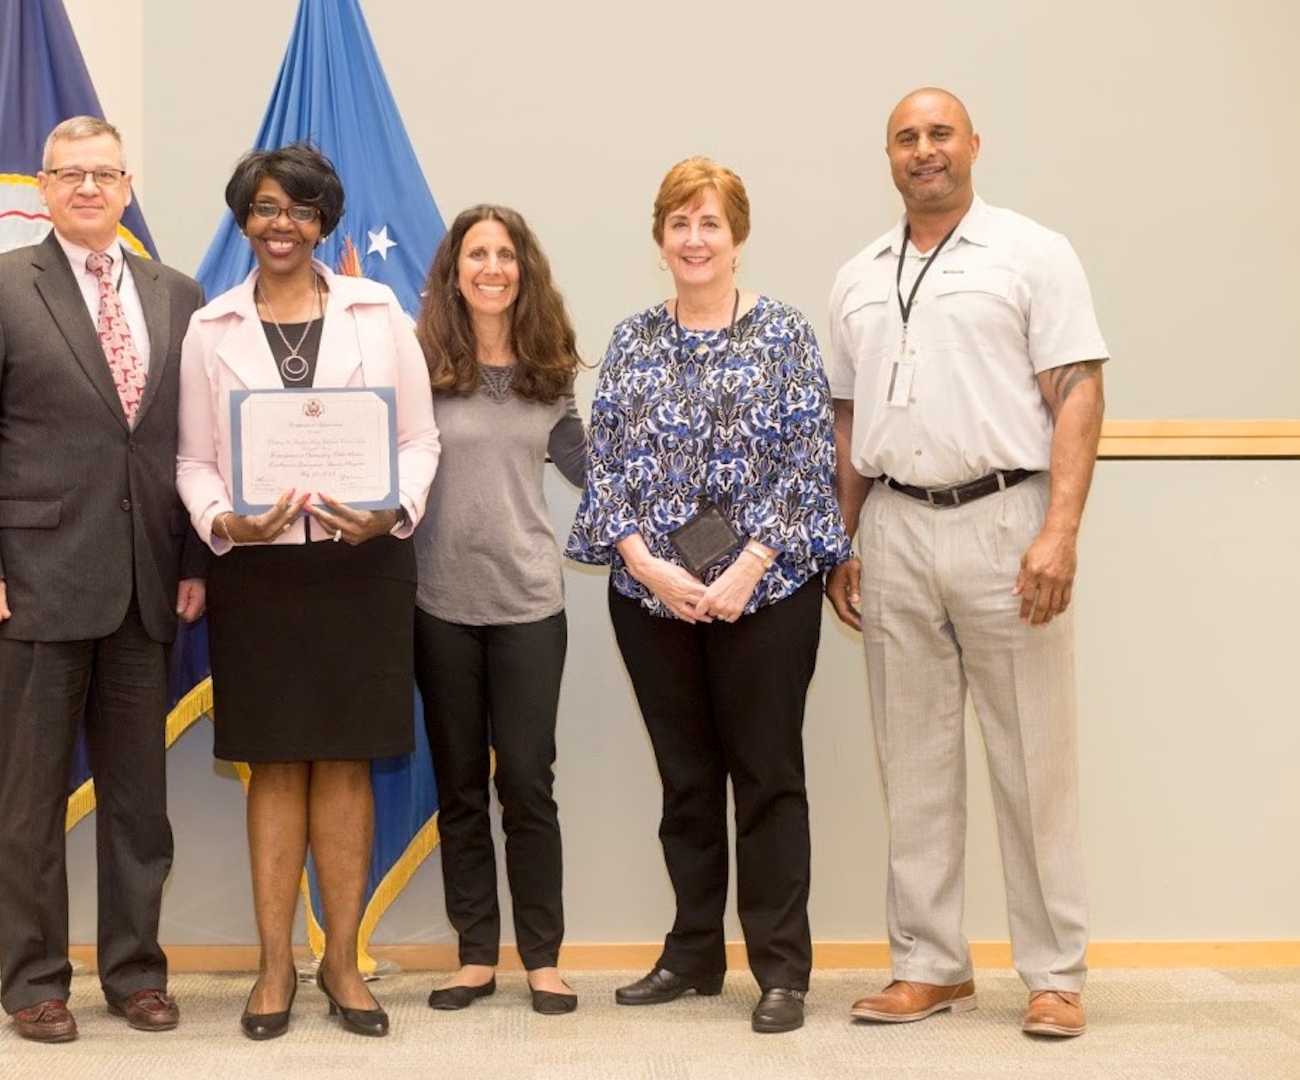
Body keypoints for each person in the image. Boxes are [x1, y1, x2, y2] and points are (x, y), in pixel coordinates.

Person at [825, 87, 1108, 1039]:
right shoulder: (858, 275)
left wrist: (1059, 530)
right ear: (888, 157)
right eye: (905, 138)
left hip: (1005, 521)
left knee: (1033, 759)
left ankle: (1053, 973)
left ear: (973, 144)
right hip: (895, 527)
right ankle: (929, 966)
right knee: (912, 762)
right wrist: (843, 539)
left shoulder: (1031, 252)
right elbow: (848, 419)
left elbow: (1074, 390)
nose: (923, 150)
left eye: (939, 133)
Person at [0, 116, 207, 1043]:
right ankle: (35, 984)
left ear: (128, 188)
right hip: (30, 585)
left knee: (140, 803)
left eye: (105, 174)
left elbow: (192, 447)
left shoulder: (178, 294)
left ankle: (135, 974)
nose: (88, 189)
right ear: (42, 190)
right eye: (69, 175)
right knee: (31, 800)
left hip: (146, 585)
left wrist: (196, 562)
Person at [566, 158, 849, 1034]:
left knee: (766, 778)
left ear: (737, 236)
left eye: (710, 223)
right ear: (659, 241)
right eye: (679, 224)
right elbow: (601, 463)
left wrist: (748, 565)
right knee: (685, 782)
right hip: (651, 598)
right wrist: (648, 567)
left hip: (765, 594)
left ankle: (780, 970)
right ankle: (692, 954)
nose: (694, 239)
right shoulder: (630, 340)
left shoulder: (785, 334)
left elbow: (809, 459)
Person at [175, 142, 439, 1041]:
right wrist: (224, 524)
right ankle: (275, 965)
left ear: (323, 221)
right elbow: (192, 461)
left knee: (347, 760)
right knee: (276, 760)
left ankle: (342, 961)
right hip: (259, 571)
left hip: (362, 563)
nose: (279, 224)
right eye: (262, 207)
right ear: (242, 219)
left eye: (298, 209)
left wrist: (393, 509)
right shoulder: (210, 327)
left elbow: (418, 441)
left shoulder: (377, 311)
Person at [412, 206, 587, 1016]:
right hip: (437, 604)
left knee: (525, 782)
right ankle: (475, 954)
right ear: (454, 271)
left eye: (505, 253)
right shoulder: (419, 367)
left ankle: (542, 959)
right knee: (457, 787)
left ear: (524, 269)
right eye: (475, 253)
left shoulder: (550, 371)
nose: (491, 266)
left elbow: (597, 473)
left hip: (526, 605)